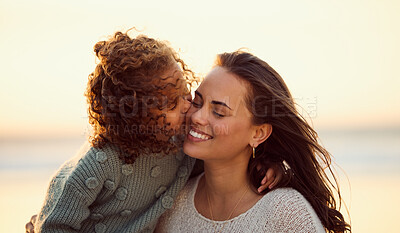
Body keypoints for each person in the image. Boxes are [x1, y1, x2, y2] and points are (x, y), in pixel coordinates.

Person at [26, 31, 279, 233]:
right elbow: (53, 224)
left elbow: (223, 162)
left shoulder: (182, 147)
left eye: (185, 93)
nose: (188, 106)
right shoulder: (98, 163)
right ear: (135, 115)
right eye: (172, 103)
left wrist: (266, 164)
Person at [156, 51, 351, 232]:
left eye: (219, 112)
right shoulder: (170, 201)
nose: (197, 116)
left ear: (258, 133)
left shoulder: (286, 214)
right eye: (197, 102)